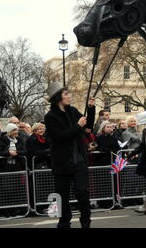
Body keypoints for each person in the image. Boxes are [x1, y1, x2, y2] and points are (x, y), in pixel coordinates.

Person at [44, 82, 95, 229]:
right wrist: (77, 126)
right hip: (62, 162)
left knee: (82, 191)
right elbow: (60, 136)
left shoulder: (73, 111)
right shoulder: (50, 117)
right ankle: (64, 222)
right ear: (58, 98)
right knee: (62, 196)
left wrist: (90, 109)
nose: (69, 96)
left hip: (79, 160)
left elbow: (88, 128)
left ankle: (86, 222)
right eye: (66, 94)